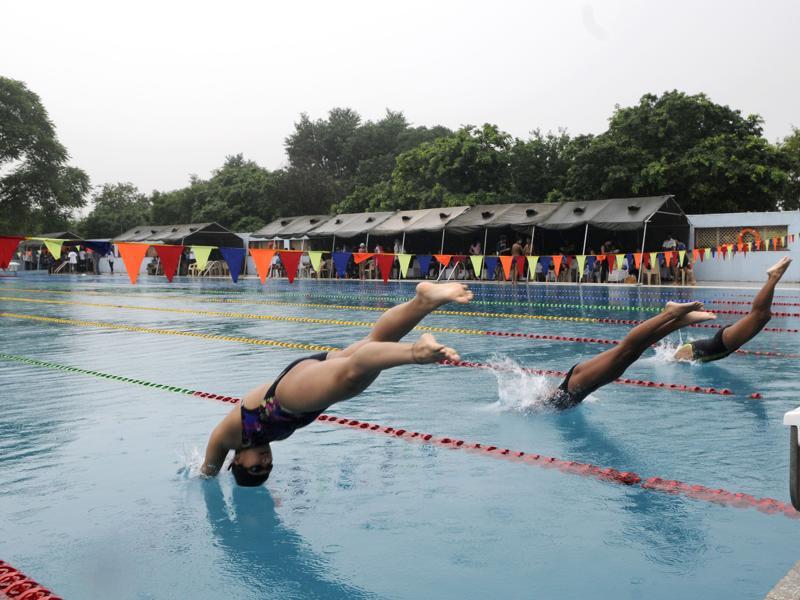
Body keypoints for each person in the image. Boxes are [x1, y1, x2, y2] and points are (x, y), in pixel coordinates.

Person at [201, 282, 474, 486]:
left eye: (255, 468)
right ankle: (423, 302)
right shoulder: (259, 442)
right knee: (374, 342)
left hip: (283, 398)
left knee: (352, 378)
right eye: (267, 468)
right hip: (301, 384)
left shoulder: (231, 437)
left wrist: (206, 474)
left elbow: (211, 453)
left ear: (236, 461)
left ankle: (415, 353)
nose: (265, 462)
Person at [545, 301, 715, 410]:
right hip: (580, 386)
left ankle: (669, 313)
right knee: (632, 353)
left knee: (626, 350)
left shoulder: (540, 405)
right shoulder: (546, 404)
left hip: (575, 384)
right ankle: (680, 321)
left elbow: (541, 398)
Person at [673, 257, 791, 363]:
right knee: (764, 316)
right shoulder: (680, 356)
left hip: (722, 343)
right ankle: (773, 278)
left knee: (761, 315)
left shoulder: (678, 359)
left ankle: (773, 277)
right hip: (722, 343)